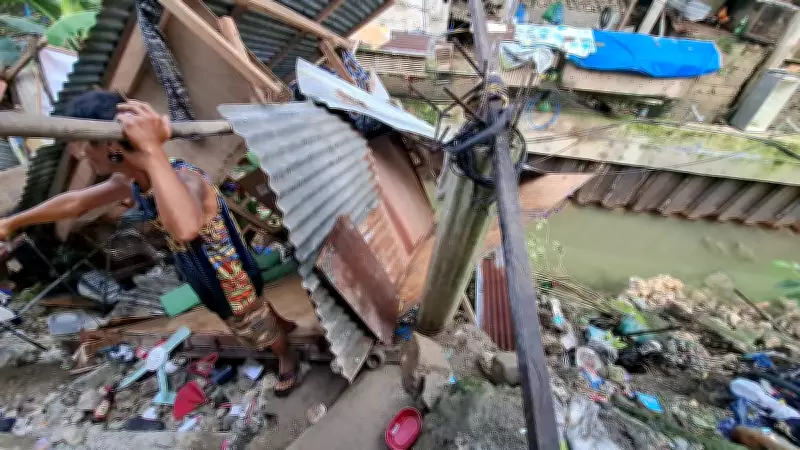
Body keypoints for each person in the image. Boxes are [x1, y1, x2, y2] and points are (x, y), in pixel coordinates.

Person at [0, 91, 302, 395]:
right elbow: (75, 203)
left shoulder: (184, 179)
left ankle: (285, 357)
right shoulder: (132, 181)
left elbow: (185, 228)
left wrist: (151, 149)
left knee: (249, 322)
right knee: (253, 308)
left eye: (83, 143)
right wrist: (13, 222)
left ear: (109, 145)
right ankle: (282, 325)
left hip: (226, 270)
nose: (80, 154)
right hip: (197, 265)